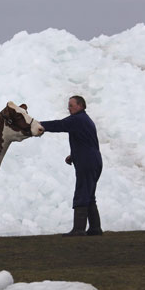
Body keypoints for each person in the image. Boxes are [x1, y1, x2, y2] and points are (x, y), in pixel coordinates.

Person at [40, 95, 103, 236]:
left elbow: (59, 125)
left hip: (87, 162)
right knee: (89, 194)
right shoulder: (86, 120)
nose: (68, 108)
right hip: (94, 160)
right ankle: (95, 228)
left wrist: (37, 125)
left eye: (71, 105)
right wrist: (73, 156)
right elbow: (86, 142)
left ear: (80, 105)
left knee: (82, 192)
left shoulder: (78, 119)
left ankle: (79, 229)